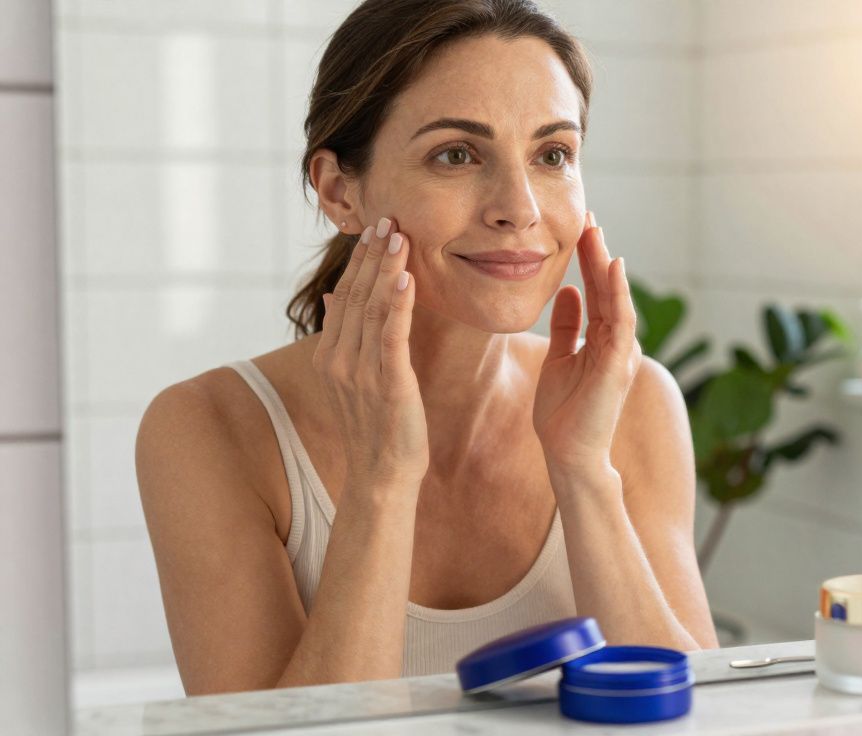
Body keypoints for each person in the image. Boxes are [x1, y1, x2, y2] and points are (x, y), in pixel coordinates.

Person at [136, 0, 716, 695]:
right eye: (456, 155)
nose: (519, 208)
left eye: (553, 154)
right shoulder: (208, 429)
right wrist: (380, 481)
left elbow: (701, 719)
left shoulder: (635, 402)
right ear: (339, 192)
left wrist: (583, 470)